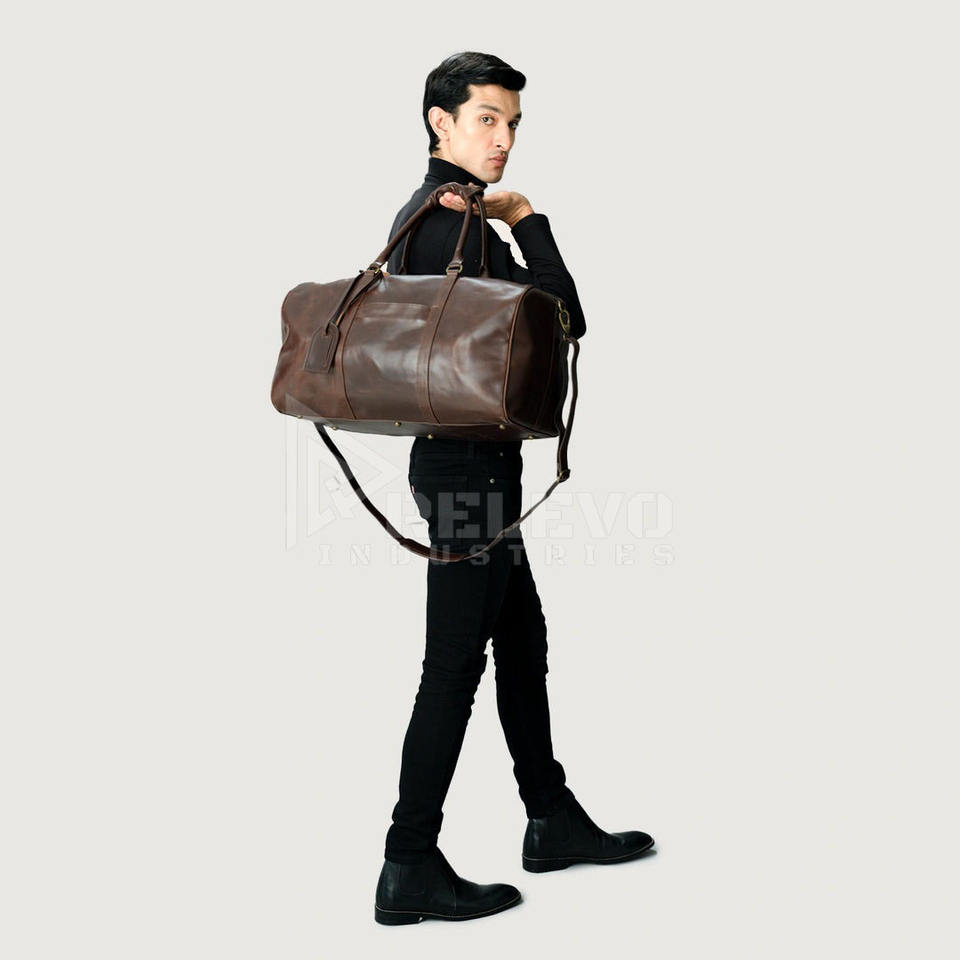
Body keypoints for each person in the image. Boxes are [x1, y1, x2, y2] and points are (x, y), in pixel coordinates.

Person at [374, 51, 654, 927]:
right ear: (441, 122)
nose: (503, 139)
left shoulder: (434, 217)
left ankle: (550, 817)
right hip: (467, 473)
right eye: (487, 119)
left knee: (521, 643)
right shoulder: (454, 225)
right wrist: (527, 220)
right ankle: (407, 863)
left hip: (472, 469)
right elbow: (564, 316)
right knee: (454, 664)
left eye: (514, 124)